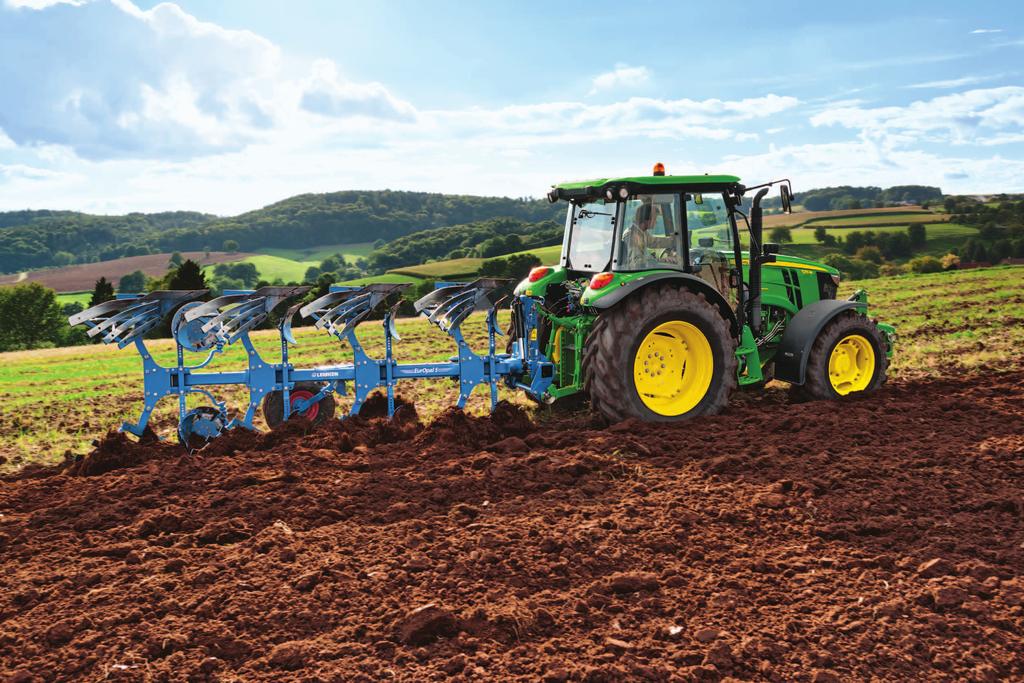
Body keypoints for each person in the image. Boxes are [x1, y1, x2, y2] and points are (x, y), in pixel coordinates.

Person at [623, 201, 676, 269]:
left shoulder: (640, 232)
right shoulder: (632, 235)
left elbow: (654, 242)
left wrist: (673, 240)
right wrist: (662, 261)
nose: (656, 222)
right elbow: (638, 263)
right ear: (647, 220)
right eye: (655, 218)